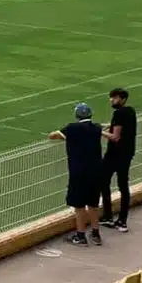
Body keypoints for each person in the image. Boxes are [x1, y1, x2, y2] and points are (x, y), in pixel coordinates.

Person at [50, 103, 104, 246]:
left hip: (78, 172)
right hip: (95, 171)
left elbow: (54, 135)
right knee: (93, 204)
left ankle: (80, 236)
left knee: (79, 206)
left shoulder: (72, 128)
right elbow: (102, 127)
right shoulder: (96, 128)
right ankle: (96, 233)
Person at [99, 88, 138, 232]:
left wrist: (97, 131)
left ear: (122, 99)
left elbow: (115, 137)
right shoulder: (130, 111)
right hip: (127, 153)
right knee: (123, 185)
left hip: (115, 154)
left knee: (103, 181)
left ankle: (108, 216)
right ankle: (122, 220)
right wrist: (103, 126)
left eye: (114, 98)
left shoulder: (119, 113)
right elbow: (116, 126)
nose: (111, 100)